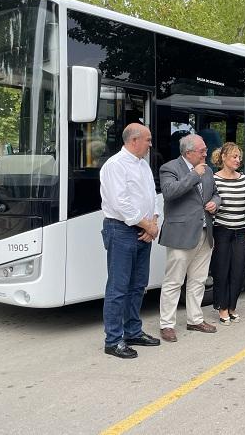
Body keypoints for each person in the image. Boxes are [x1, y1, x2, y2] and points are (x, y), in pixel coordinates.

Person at [99, 123, 161, 359]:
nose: (150, 144)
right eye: (148, 139)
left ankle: (133, 331)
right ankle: (113, 340)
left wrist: (153, 222)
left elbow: (152, 196)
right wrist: (147, 226)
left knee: (137, 286)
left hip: (143, 230)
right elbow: (120, 203)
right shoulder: (115, 165)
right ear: (134, 140)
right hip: (121, 230)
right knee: (118, 288)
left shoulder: (143, 165)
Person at [158, 134, 221, 342]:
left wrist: (215, 202)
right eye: (202, 150)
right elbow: (169, 192)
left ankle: (195, 319)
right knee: (173, 281)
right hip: (180, 234)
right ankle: (167, 324)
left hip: (205, 233)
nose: (206, 153)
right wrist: (194, 175)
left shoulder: (208, 170)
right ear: (188, 152)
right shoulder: (170, 168)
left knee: (199, 280)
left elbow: (216, 193)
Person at [210, 142, 245, 325]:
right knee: (221, 271)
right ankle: (222, 308)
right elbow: (210, 207)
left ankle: (233, 306)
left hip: (241, 231)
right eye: (234, 157)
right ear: (224, 158)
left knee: (239, 271)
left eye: (239, 157)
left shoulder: (242, 179)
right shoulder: (214, 179)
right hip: (222, 230)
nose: (238, 160)